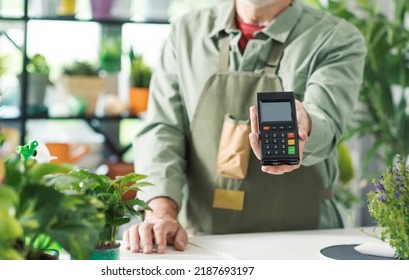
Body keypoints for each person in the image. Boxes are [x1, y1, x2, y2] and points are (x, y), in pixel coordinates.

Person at [123, 0, 366, 254]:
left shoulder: (334, 37)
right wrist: (160, 212)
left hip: (302, 241)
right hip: (197, 242)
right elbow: (162, 129)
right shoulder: (184, 33)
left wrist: (307, 127)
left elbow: (326, 120)